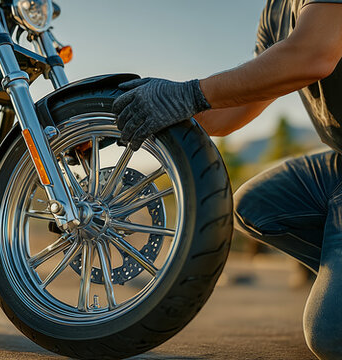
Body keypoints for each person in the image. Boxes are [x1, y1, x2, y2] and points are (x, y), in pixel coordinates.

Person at [110, 1, 342, 358]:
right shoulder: (276, 11)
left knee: (331, 334)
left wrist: (187, 94)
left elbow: (314, 54)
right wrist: (125, 115)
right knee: (257, 204)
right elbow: (232, 111)